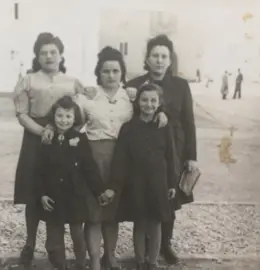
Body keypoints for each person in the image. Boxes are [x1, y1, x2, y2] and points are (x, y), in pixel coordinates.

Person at [44, 46, 168, 270]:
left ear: (122, 73)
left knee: (113, 214)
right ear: (98, 73)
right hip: (92, 158)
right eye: (106, 71)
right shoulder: (88, 97)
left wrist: (162, 113)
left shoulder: (130, 96)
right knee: (93, 214)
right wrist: (51, 126)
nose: (111, 75)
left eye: (115, 71)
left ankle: (110, 257)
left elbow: (151, 105)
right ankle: (94, 262)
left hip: (123, 160)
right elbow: (65, 114)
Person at [12, 32, 87, 268]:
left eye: (53, 52)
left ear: (61, 54)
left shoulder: (72, 82)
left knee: (59, 186)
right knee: (34, 192)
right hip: (36, 138)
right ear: (37, 56)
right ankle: (30, 243)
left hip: (61, 139)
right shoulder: (28, 80)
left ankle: (58, 245)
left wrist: (65, 132)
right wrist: (40, 131)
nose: (48, 56)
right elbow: (21, 114)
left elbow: (82, 114)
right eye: (43, 52)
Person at [124, 34, 198, 265]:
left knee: (169, 197)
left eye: (164, 56)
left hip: (175, 148)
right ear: (147, 59)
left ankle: (164, 244)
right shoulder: (135, 85)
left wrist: (192, 157)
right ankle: (146, 245)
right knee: (146, 196)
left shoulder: (180, 85)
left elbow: (189, 121)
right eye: (155, 55)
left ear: (170, 60)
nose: (159, 60)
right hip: (146, 150)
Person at [34, 96, 114, 270]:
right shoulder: (47, 139)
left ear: (75, 118)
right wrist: (42, 194)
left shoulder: (80, 138)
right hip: (53, 197)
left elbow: (89, 168)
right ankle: (59, 265)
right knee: (54, 238)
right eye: (60, 116)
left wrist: (99, 190)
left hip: (75, 197)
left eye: (68, 116)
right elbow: (39, 170)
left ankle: (80, 265)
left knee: (77, 235)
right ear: (53, 117)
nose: (64, 120)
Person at [107, 83, 178, 270]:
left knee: (155, 222)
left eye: (153, 100)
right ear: (137, 102)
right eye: (144, 100)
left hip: (158, 182)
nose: (148, 104)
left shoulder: (164, 126)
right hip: (136, 182)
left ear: (159, 102)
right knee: (139, 221)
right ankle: (140, 260)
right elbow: (120, 159)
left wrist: (172, 183)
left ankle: (153, 262)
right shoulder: (128, 128)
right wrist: (116, 184)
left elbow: (171, 157)